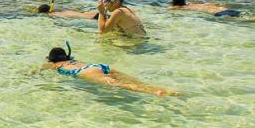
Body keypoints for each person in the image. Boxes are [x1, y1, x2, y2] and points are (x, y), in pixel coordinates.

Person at [41, 45, 177, 96]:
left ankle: (156, 92)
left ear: (52, 60)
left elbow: (40, 68)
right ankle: (163, 89)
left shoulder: (55, 65)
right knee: (134, 81)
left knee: (120, 84)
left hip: (86, 72)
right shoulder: (74, 60)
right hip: (98, 65)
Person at [169, 0, 241, 17]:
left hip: (219, 13)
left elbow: (171, 8)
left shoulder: (183, 7)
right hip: (225, 9)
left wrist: (172, 5)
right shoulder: (192, 4)